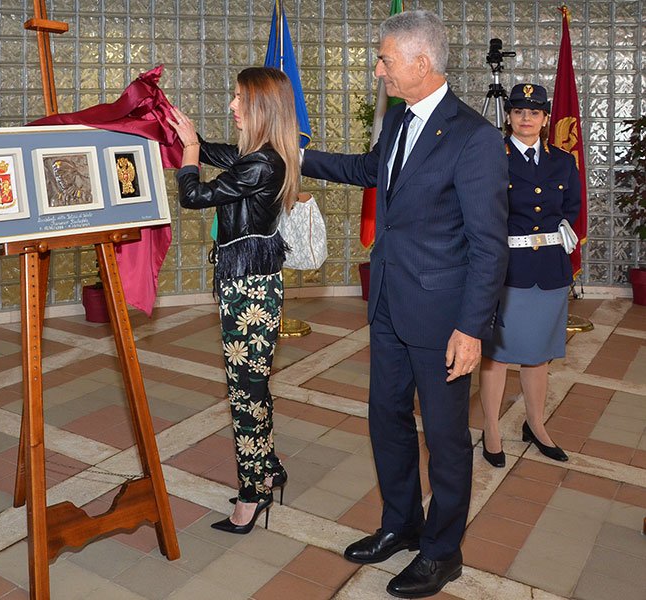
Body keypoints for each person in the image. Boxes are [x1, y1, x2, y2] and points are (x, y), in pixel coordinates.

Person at [301, 10, 509, 598]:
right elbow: (371, 171)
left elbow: (489, 246)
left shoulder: (474, 136)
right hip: (390, 301)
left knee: (444, 439)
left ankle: (443, 552)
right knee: (386, 418)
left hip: (442, 317)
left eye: (386, 59)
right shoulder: (397, 118)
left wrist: (471, 330)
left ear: (422, 62)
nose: (378, 69)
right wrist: (298, 156)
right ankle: (400, 524)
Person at [168, 67, 300, 535]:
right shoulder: (259, 156)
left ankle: (253, 494)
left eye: (238, 97)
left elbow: (194, 195)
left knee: (245, 393)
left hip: (248, 292)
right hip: (250, 285)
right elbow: (220, 154)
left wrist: (187, 153)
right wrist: (188, 137)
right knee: (254, 386)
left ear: (260, 106)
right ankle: (268, 467)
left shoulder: (262, 163)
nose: (231, 105)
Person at [478, 83, 581, 468]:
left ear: (545, 118)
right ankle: (490, 428)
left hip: (549, 271)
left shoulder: (562, 161)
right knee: (497, 355)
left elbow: (571, 207)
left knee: (539, 356)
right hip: (506, 271)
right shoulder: (492, 157)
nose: (526, 118)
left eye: (534, 112)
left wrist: (563, 230)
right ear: (509, 117)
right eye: (519, 111)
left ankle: (536, 425)